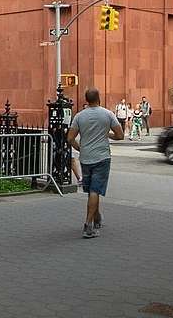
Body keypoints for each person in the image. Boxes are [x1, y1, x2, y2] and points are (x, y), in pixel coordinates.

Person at [68, 88, 124, 238]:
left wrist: (80, 148)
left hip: (85, 158)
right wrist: (108, 134)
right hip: (102, 157)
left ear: (86, 99)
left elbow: (70, 138)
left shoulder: (79, 116)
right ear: (99, 98)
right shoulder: (107, 114)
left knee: (92, 190)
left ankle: (97, 217)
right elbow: (120, 135)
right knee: (95, 190)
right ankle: (88, 225)